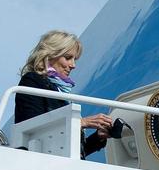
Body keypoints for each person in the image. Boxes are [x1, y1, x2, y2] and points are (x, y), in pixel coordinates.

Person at [15, 30, 113, 158]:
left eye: (75, 59)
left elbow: (72, 151)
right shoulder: (32, 81)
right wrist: (81, 122)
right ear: (49, 56)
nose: (73, 65)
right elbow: (32, 128)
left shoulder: (61, 93)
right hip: (38, 164)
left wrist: (98, 138)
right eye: (68, 58)